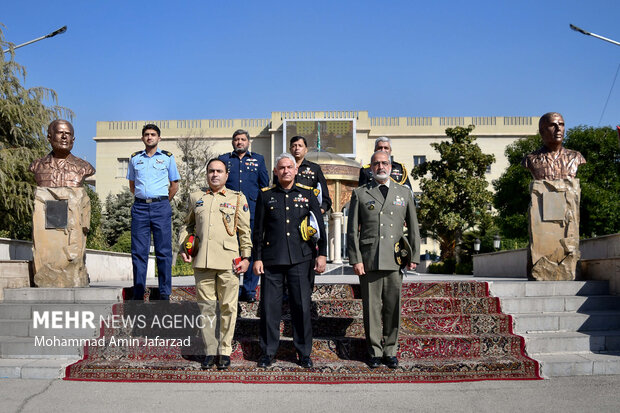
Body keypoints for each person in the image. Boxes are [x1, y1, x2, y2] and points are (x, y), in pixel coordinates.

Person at [253, 153, 327, 369]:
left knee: (302, 307)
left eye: (289, 167)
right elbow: (258, 231)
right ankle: (267, 352)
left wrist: (321, 254)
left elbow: (319, 226)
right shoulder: (266, 195)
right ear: (276, 172)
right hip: (272, 260)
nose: (285, 171)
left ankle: (304, 352)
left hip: (300, 259)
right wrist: (257, 258)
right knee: (269, 308)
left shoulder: (308, 193)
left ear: (296, 170)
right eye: (281, 168)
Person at [347, 150, 420, 369]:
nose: (381, 167)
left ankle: (390, 350)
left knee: (392, 307)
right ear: (370, 168)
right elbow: (352, 232)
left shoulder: (403, 193)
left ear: (391, 166)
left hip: (395, 258)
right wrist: (355, 259)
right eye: (376, 163)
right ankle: (374, 351)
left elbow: (414, 227)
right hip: (369, 259)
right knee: (371, 309)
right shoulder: (360, 193)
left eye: (385, 163)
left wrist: (414, 255)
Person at [179, 158, 252, 370]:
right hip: (203, 261)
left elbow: (244, 231)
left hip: (230, 262)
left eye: (219, 171)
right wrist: (185, 246)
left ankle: (225, 351)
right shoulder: (196, 197)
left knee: (228, 307)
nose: (215, 175)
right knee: (207, 309)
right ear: (207, 174)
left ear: (226, 175)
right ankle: (211, 351)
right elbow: (186, 225)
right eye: (211, 171)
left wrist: (246, 258)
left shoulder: (237, 198)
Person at [127, 124, 180, 301]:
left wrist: (162, 201)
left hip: (161, 207)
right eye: (147, 135)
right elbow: (132, 186)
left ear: (159, 138)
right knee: (138, 252)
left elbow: (174, 185)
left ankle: (165, 292)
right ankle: (138, 292)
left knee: (163, 251)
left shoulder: (167, 158)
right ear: (142, 138)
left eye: (153, 134)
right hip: (140, 208)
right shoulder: (135, 159)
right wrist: (145, 199)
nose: (150, 137)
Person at [274, 135, 332, 289]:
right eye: (294, 145)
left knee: (306, 266)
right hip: (286, 224)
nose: (296, 148)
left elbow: (326, 199)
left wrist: (318, 212)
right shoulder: (282, 168)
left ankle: (305, 297)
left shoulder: (314, 169)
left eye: (300, 145)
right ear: (290, 149)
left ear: (306, 149)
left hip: (306, 226)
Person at [218, 129, 269, 303]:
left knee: (251, 250)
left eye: (243, 139)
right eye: (236, 139)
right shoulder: (224, 159)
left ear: (248, 142)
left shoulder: (258, 159)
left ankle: (249, 290)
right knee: (232, 249)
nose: (240, 142)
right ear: (233, 142)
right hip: (229, 212)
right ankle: (231, 287)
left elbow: (264, 186)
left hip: (252, 212)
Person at [29, 119, 95, 187]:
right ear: (49, 137)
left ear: (73, 139)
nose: (64, 137)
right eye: (60, 132)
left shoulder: (85, 167)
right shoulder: (36, 165)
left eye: (68, 134)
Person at [522, 112, 586, 180]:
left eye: (561, 125)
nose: (558, 129)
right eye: (552, 125)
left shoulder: (576, 157)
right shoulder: (530, 159)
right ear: (542, 131)